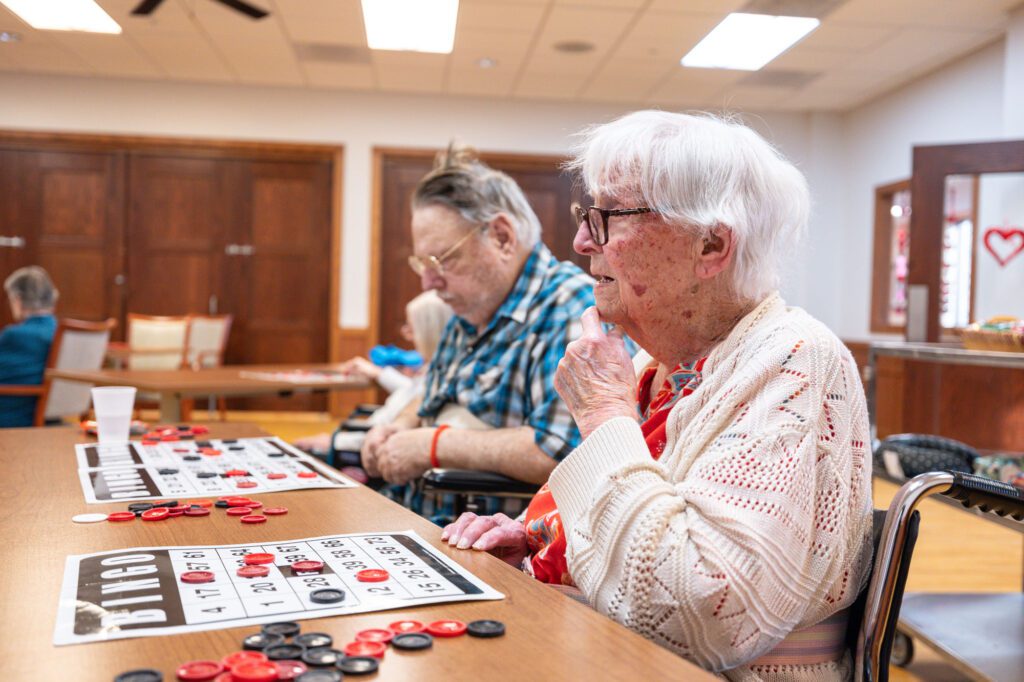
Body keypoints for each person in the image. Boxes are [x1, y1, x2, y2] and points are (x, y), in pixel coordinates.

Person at [441, 111, 873, 680]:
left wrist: (603, 415)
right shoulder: (660, 366)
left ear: (711, 244)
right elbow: (642, 528)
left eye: (606, 218)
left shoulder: (794, 356)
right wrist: (538, 540)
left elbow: (698, 611)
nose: (579, 240)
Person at [361, 144, 597, 486]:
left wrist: (436, 445)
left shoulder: (571, 307)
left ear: (501, 237)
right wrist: (401, 426)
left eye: (441, 260)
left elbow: (565, 452)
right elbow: (432, 398)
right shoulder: (471, 307)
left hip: (475, 534)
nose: (428, 282)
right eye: (422, 264)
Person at [293, 291, 452, 455]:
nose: (406, 334)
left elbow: (381, 438)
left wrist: (334, 441)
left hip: (363, 446)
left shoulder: (437, 378)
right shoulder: (432, 372)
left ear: (429, 332)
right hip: (359, 438)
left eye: (411, 328)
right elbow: (409, 391)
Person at [0, 266, 59, 427]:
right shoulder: (58, 332)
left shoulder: (15, 336)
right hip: (50, 417)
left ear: (18, 300)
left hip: (14, 416)